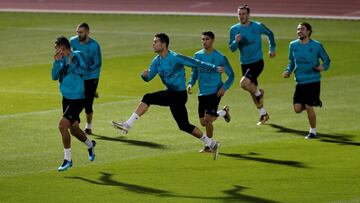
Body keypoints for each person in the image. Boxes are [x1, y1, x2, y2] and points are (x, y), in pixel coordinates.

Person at [112, 33, 224, 160]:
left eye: (155, 42)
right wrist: (144, 75)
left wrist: (213, 68)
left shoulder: (175, 57)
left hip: (179, 95)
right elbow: (149, 78)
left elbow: (194, 62)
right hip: (171, 95)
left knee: (148, 97)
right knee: (184, 125)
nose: (153, 44)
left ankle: (127, 124)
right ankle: (212, 143)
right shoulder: (156, 61)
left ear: (164, 44)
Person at [52, 36, 96, 171]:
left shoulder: (77, 55)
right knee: (74, 129)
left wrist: (72, 65)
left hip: (78, 98)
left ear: (63, 47)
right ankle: (90, 145)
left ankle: (67, 160)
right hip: (66, 98)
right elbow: (54, 77)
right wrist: (58, 63)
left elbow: (87, 71)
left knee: (62, 126)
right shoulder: (59, 59)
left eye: (57, 48)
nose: (55, 51)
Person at [187, 31, 234, 153]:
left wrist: (224, 87)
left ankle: (209, 145)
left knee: (208, 119)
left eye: (207, 39)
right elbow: (194, 72)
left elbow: (231, 75)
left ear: (213, 40)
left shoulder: (220, 57)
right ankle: (224, 112)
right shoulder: (197, 55)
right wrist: (190, 83)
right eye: (203, 39)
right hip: (202, 93)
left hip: (215, 92)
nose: (204, 41)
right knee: (203, 122)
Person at [229, 4, 276, 125]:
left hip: (257, 62)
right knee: (251, 90)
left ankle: (259, 93)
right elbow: (232, 48)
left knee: (244, 84)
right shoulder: (234, 29)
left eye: (243, 14)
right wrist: (236, 41)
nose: (241, 16)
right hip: (244, 63)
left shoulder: (257, 26)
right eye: (239, 14)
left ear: (248, 15)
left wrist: (272, 48)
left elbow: (270, 33)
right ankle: (263, 114)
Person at [283, 22, 330, 139]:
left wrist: (322, 67)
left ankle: (312, 132)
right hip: (300, 81)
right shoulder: (293, 45)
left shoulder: (316, 46)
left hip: (313, 80)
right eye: (298, 29)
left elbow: (327, 60)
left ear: (308, 31)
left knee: (309, 107)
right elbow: (291, 62)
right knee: (297, 109)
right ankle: (315, 102)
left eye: (302, 29)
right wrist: (288, 71)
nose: (299, 31)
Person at [70, 23, 102, 135]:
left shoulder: (94, 46)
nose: (78, 34)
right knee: (76, 97)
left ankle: (88, 127)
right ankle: (75, 120)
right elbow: (70, 54)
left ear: (88, 32)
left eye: (81, 32)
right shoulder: (73, 41)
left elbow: (98, 63)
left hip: (92, 76)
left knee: (88, 103)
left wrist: (86, 69)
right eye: (77, 32)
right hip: (79, 75)